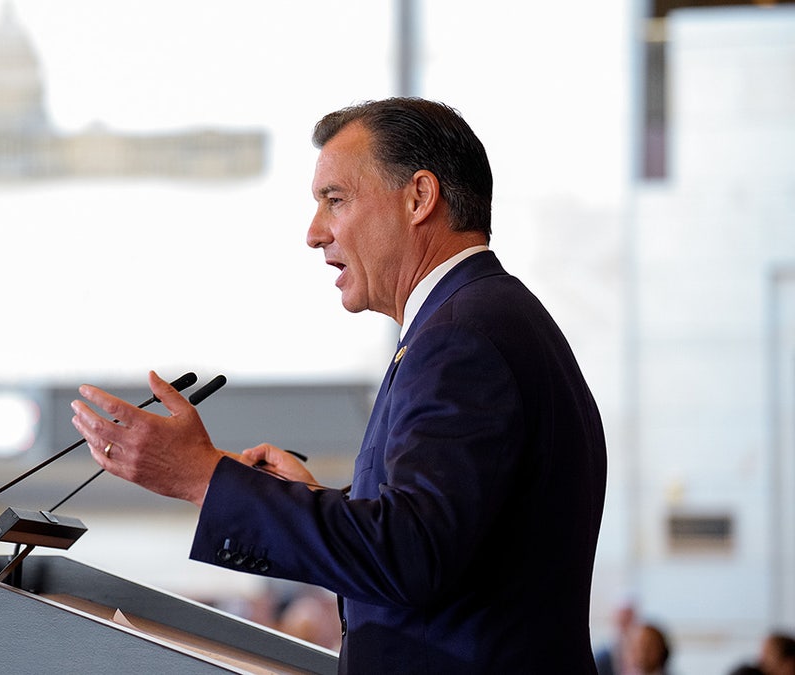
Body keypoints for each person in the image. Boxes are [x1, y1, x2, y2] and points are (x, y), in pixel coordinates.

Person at [70, 97, 608, 673]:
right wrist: (308, 502)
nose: (314, 233)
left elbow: (410, 554)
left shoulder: (462, 336)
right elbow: (436, 542)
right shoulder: (482, 317)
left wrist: (202, 476)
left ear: (419, 198)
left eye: (335, 200)